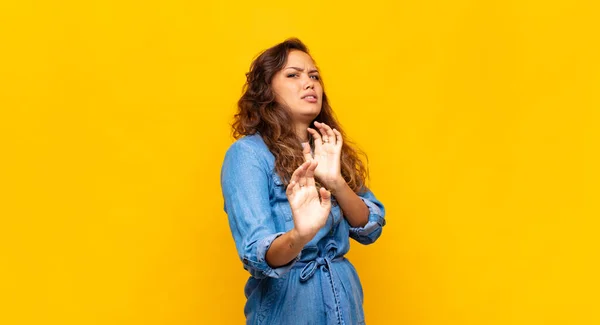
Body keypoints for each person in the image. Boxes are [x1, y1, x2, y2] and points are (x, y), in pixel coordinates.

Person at [220, 38, 386, 325]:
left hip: (344, 300)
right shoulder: (248, 155)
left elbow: (369, 228)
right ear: (267, 90)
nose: (309, 83)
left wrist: (335, 182)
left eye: (314, 76)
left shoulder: (330, 148)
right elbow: (257, 254)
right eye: (293, 75)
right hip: (289, 305)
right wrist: (301, 235)